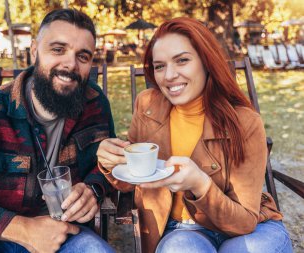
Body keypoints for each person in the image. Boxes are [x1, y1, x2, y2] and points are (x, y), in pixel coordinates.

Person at [0, 9, 115, 253]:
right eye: (58, 50)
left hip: (66, 236)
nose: (70, 64)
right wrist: (22, 229)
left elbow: (108, 163)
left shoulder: (94, 103)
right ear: (34, 50)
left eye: (83, 56)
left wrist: (93, 189)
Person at [97, 17, 292, 253]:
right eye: (159, 66)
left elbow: (244, 222)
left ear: (206, 62)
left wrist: (201, 185)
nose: (169, 76)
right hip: (181, 230)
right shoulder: (147, 105)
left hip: (247, 226)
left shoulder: (245, 122)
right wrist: (110, 162)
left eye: (182, 60)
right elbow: (133, 178)